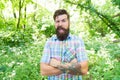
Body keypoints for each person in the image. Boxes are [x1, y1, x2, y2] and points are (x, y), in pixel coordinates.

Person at [40, 9, 88, 80]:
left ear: (69, 22)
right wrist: (73, 65)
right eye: (57, 21)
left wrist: (57, 64)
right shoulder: (49, 43)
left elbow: (83, 70)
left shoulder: (78, 41)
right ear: (54, 23)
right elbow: (43, 71)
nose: (60, 24)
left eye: (63, 21)